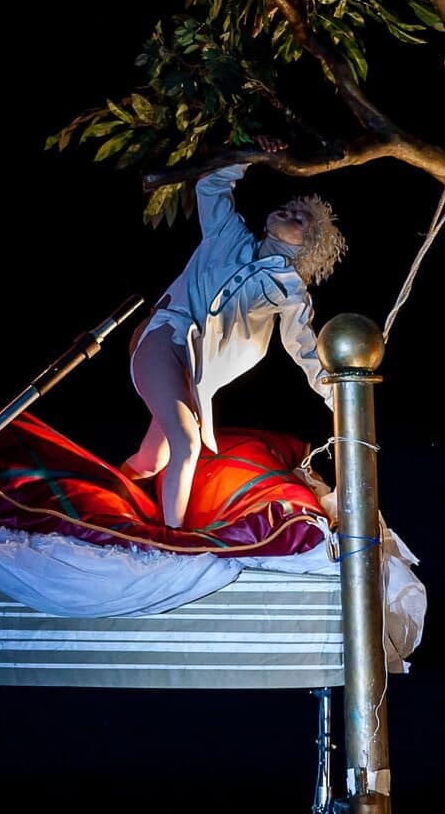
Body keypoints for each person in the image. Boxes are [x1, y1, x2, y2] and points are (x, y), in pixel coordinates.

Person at [123, 142, 346, 528]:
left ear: (305, 245)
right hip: (165, 337)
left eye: (299, 219)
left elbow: (304, 347)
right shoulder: (229, 236)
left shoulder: (289, 289)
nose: (289, 212)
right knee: (187, 444)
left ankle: (107, 493)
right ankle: (173, 542)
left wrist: (339, 399)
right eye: (291, 207)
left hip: (191, 375)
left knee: (152, 459)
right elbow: (210, 188)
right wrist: (251, 156)